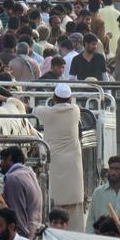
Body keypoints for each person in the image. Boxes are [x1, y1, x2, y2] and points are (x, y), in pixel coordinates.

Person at [33, 84, 84, 231]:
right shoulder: (75, 110)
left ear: (54, 98)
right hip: (73, 165)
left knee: (54, 202)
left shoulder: (48, 112)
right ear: (70, 98)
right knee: (74, 204)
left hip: (55, 162)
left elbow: (34, 110)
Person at [0, 146, 43, 238]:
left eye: (2, 160)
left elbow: (17, 213)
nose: (0, 164)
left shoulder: (13, 178)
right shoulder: (30, 174)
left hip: (24, 236)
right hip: (35, 231)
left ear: (10, 158)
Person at [87, 156, 120, 227]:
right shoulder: (98, 192)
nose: (113, 172)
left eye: (117, 169)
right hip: (102, 236)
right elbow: (91, 219)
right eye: (111, 168)